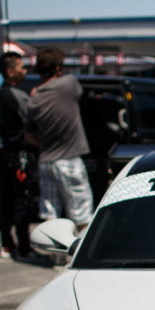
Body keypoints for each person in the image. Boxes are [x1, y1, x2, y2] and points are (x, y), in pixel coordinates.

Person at [24, 47, 94, 230]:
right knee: (81, 214)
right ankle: (79, 254)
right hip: (69, 159)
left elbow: (28, 135)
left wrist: (45, 145)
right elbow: (79, 99)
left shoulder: (33, 99)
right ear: (58, 68)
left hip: (46, 161)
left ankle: (54, 255)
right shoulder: (69, 84)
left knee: (51, 215)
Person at [0, 52, 38, 259]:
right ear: (10, 72)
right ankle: (22, 246)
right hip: (20, 155)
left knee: (10, 198)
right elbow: (29, 119)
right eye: (22, 67)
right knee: (22, 198)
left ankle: (9, 243)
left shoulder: (9, 94)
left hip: (12, 154)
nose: (25, 71)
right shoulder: (11, 95)